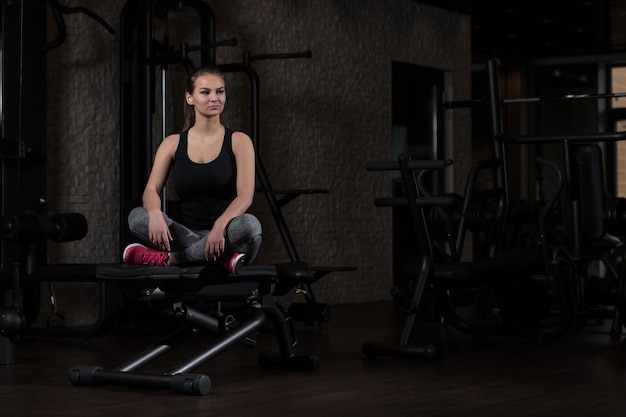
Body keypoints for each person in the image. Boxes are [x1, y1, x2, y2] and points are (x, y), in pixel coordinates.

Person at [123, 66, 262, 276]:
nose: (215, 98)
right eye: (205, 92)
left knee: (251, 226)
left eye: (220, 91)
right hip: (181, 235)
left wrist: (220, 226)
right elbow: (151, 189)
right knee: (137, 216)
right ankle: (221, 258)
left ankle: (171, 260)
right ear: (190, 98)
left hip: (227, 234)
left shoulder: (239, 141)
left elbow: (245, 196)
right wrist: (154, 214)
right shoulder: (172, 143)